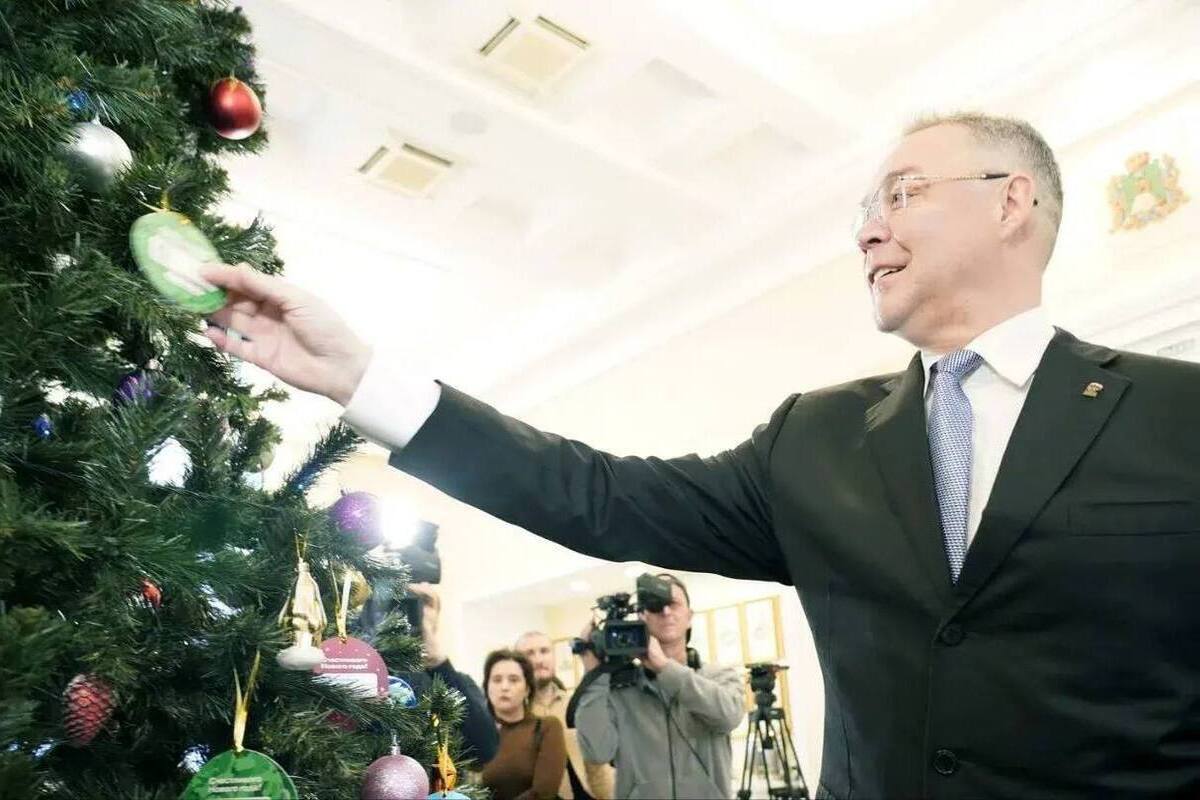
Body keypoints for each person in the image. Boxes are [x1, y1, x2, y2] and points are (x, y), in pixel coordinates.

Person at [200, 111, 1200, 798]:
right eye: (864, 211)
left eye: (900, 195)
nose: (868, 231)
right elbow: (593, 492)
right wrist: (362, 377)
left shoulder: (1178, 412)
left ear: (1011, 202)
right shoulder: (816, 437)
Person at [572, 574, 743, 800]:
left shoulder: (718, 676)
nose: (666, 611)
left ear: (689, 617)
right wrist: (594, 674)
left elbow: (729, 716)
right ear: (642, 617)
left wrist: (664, 667)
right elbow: (597, 752)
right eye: (655, 606)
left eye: (674, 604)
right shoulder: (621, 688)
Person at [358, 582, 498, 765]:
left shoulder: (458, 681)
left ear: (437, 618)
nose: (411, 608)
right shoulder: (361, 677)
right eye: (399, 600)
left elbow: (484, 749)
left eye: (424, 601)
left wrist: (440, 666)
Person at [515, 631, 615, 800]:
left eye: (544, 651)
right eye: (529, 654)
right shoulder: (512, 714)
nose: (539, 660)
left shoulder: (577, 706)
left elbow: (598, 763)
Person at [479, 649, 567, 800]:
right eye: (497, 680)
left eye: (513, 680)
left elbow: (544, 791)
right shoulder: (477, 734)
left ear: (527, 689)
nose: (504, 687)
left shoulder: (546, 727)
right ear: (487, 687)